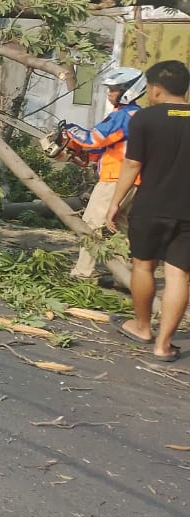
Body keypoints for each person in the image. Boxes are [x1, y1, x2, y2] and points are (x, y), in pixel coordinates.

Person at [106, 60, 190, 362]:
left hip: (151, 205)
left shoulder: (145, 119)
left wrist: (115, 202)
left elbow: (132, 164)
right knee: (179, 274)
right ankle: (164, 345)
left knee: (143, 266)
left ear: (154, 89)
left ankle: (143, 327)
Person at [65, 67, 145, 280]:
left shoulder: (122, 116)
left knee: (91, 224)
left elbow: (94, 138)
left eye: (114, 89)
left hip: (115, 180)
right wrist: (84, 157)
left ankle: (83, 273)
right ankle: (123, 276)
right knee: (118, 227)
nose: (109, 94)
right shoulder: (137, 115)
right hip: (131, 181)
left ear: (129, 90)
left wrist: (69, 130)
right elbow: (108, 147)